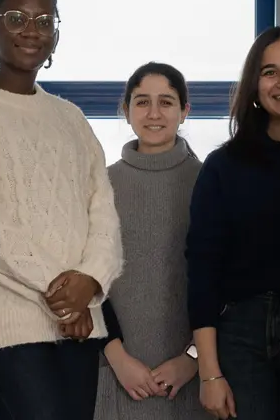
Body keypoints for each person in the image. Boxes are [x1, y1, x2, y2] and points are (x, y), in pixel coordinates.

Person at [0, 0, 123, 419]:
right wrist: (62, 296)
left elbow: (104, 215)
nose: (31, 29)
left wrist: (90, 283)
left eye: (44, 20)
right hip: (7, 330)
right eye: (16, 18)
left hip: (81, 326)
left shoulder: (70, 117)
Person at [186, 25, 280, 420]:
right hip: (241, 334)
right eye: (269, 72)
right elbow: (203, 268)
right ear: (254, 84)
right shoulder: (224, 165)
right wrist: (209, 374)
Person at [96, 62, 208, 419]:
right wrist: (117, 357)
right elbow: (84, 281)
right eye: (142, 102)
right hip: (115, 371)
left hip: (195, 376)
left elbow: (226, 284)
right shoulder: (98, 186)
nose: (154, 113)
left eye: (167, 102)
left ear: (185, 111)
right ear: (125, 110)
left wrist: (194, 359)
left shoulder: (211, 183)